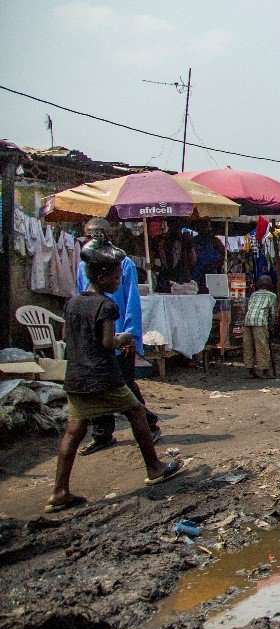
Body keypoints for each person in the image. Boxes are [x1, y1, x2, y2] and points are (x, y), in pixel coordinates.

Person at [47, 243, 180, 513]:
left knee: (74, 431)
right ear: (102, 277)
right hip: (103, 375)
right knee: (136, 412)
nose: (120, 282)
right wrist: (125, 338)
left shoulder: (72, 303)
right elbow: (108, 342)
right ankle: (154, 468)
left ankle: (60, 491)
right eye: (117, 277)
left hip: (75, 376)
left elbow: (66, 338)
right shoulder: (106, 306)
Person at [74, 217, 159, 455]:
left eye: (97, 234)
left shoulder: (124, 264)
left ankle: (149, 423)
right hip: (95, 336)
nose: (93, 239)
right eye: (90, 235)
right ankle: (102, 434)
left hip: (118, 333)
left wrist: (129, 335)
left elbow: (131, 301)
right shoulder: (84, 265)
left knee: (124, 384)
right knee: (98, 386)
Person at [243, 275, 278, 378]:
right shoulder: (272, 296)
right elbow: (272, 313)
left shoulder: (253, 294)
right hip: (260, 321)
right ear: (270, 286)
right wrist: (272, 328)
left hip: (248, 320)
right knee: (262, 346)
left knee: (248, 346)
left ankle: (250, 371)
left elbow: (249, 307)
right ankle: (265, 372)